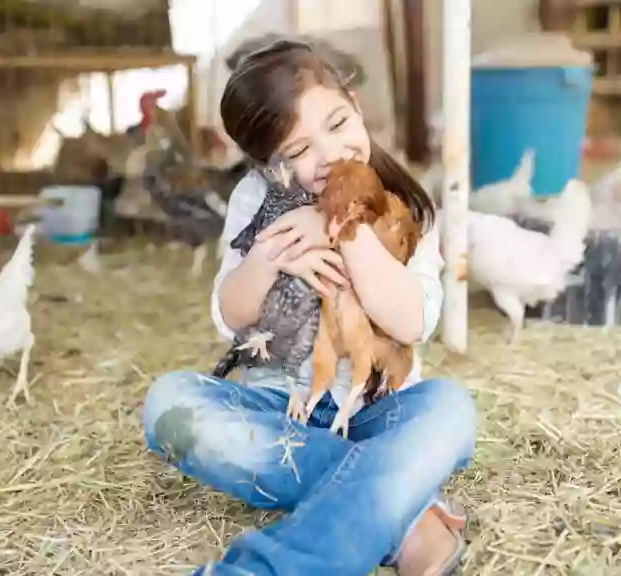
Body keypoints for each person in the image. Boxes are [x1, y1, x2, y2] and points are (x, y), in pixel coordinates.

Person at [142, 39, 478, 576]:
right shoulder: (256, 199)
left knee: (450, 410)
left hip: (376, 411)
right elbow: (231, 313)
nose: (330, 155)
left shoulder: (405, 203)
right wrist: (268, 256)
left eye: (338, 123)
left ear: (356, 105)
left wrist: (340, 228)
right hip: (280, 408)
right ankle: (407, 510)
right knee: (168, 404)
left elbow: (413, 321)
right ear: (269, 164)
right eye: (298, 152)